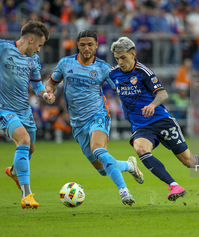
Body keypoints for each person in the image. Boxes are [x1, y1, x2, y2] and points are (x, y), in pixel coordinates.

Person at [109, 37, 199, 202]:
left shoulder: (143, 71)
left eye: (123, 57)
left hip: (161, 120)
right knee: (141, 149)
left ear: (133, 54)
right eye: (117, 58)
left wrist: (152, 105)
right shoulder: (112, 74)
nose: (120, 62)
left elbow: (163, 93)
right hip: (141, 126)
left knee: (189, 161)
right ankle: (173, 185)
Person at [45, 30, 143, 206]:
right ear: (77, 45)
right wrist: (49, 92)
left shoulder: (103, 68)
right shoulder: (65, 64)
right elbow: (52, 83)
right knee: (103, 170)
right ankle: (129, 166)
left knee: (98, 149)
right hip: (77, 123)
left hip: (98, 114)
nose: (86, 48)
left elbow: (121, 90)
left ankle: (124, 192)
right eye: (83, 44)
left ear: (97, 45)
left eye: (90, 44)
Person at [1, 20, 55, 209]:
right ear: (31, 39)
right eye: (39, 45)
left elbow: (37, 84)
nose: (40, 50)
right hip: (4, 109)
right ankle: (27, 195)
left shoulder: (34, 60)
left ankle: (15, 171)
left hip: (24, 110)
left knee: (30, 149)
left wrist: (44, 94)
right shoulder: (3, 48)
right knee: (23, 140)